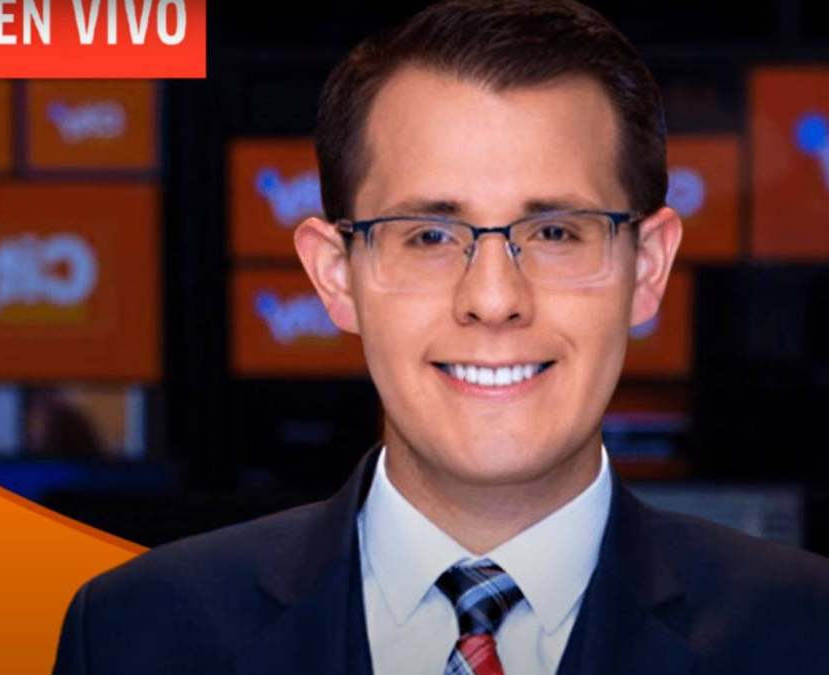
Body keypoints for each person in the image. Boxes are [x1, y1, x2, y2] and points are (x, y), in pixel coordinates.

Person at [52, 1, 829, 673]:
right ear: (335, 274)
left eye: (556, 231)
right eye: (428, 236)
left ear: (647, 266)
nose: (492, 300)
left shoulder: (808, 631)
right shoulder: (132, 634)